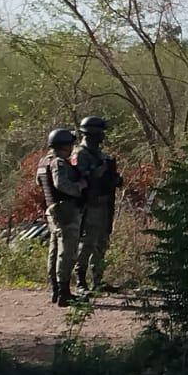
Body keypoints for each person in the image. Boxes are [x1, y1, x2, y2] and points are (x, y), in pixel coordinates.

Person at [72, 115, 123, 294]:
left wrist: (114, 179)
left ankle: (98, 281)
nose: (103, 135)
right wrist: (97, 172)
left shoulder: (102, 155)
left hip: (104, 204)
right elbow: (80, 177)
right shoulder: (80, 154)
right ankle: (80, 281)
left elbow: (107, 178)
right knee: (88, 243)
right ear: (92, 132)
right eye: (100, 131)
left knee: (102, 242)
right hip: (90, 205)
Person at [35, 128, 85, 307]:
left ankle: (56, 290)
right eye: (70, 144)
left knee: (54, 250)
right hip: (65, 209)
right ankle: (64, 293)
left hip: (52, 209)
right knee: (67, 250)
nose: (72, 147)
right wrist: (79, 186)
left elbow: (39, 182)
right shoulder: (59, 163)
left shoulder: (43, 162)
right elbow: (61, 184)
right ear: (64, 145)